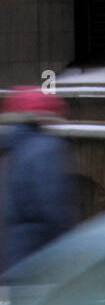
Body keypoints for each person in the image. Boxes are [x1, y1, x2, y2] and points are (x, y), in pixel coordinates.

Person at [0, 86, 76, 273]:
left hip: (14, 251)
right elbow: (53, 203)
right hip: (40, 251)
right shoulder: (46, 148)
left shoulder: (14, 149)